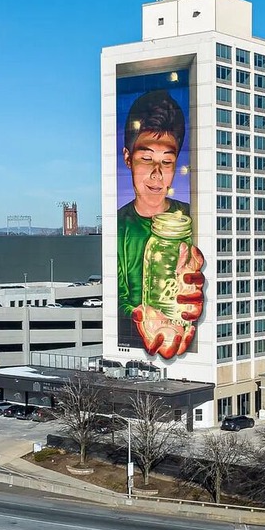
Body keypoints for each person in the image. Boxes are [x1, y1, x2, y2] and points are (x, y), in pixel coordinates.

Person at [117, 89, 205, 359]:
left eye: (166, 162)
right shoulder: (119, 228)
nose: (156, 174)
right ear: (128, 158)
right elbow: (118, 298)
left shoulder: (193, 219)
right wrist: (140, 317)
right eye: (146, 159)